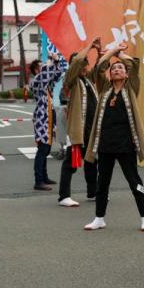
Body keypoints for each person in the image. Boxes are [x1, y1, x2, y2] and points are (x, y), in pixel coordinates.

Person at [83, 43, 144, 232]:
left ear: (126, 74)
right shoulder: (105, 89)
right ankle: (99, 218)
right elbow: (100, 68)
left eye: (120, 68)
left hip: (126, 144)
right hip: (105, 144)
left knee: (134, 181)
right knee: (102, 182)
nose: (117, 70)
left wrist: (120, 53)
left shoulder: (131, 87)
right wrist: (111, 53)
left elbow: (134, 65)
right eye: (114, 68)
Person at [58, 38, 102, 208]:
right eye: (82, 63)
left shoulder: (88, 80)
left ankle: (92, 193)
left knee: (92, 161)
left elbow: (99, 68)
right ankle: (63, 196)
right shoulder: (71, 80)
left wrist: (98, 52)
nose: (84, 66)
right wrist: (89, 46)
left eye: (86, 63)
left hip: (90, 130)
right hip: (77, 129)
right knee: (71, 162)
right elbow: (76, 62)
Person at [28, 55, 67, 191]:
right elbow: (46, 73)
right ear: (35, 70)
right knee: (43, 150)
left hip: (49, 119)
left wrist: (56, 61)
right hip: (42, 119)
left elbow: (57, 74)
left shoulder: (46, 83)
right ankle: (38, 181)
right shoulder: (37, 80)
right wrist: (50, 61)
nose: (44, 65)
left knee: (46, 149)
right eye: (41, 65)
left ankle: (44, 177)